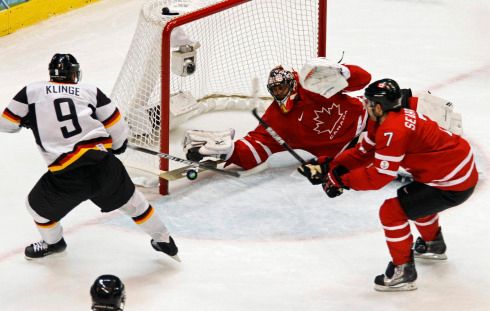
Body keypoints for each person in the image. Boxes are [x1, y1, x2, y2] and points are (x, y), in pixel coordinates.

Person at [300, 78, 478, 291]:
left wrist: (342, 182)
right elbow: (364, 152)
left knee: (392, 211)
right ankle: (433, 245)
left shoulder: (394, 130)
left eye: (368, 102)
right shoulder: (384, 119)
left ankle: (403, 272)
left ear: (377, 106)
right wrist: (331, 167)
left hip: (452, 182)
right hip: (447, 169)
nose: (365, 105)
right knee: (412, 199)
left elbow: (379, 176)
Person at [0, 53, 179, 261]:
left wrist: (25, 122)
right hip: (103, 164)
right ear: (74, 74)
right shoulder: (90, 91)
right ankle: (165, 240)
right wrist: (118, 146)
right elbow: (118, 126)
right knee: (135, 204)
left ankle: (53, 243)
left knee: (37, 208)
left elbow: (6, 124)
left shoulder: (32, 91)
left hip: (66, 176)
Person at [183, 57, 372, 169]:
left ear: (292, 83)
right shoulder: (277, 119)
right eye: (275, 90)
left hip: (370, 116)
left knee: (397, 99)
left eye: (283, 88)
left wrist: (342, 71)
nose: (280, 93)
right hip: (349, 151)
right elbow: (256, 148)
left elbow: (365, 79)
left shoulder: (313, 83)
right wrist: (229, 151)